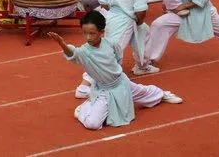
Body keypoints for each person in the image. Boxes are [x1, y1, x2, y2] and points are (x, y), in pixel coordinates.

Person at [49, 11, 182, 131]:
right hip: (104, 91)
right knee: (93, 124)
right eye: (85, 33)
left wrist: (116, 76)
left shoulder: (111, 44)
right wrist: (62, 44)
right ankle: (84, 109)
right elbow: (73, 53)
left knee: (144, 92)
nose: (88, 37)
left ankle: (163, 94)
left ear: (101, 31)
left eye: (92, 33)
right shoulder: (84, 52)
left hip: (121, 83)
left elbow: (118, 58)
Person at [75, 0, 153, 98]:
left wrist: (119, 12)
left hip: (111, 17)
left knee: (144, 30)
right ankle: (85, 85)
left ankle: (142, 65)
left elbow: (103, 1)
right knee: (109, 53)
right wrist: (134, 19)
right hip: (124, 21)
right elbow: (141, 12)